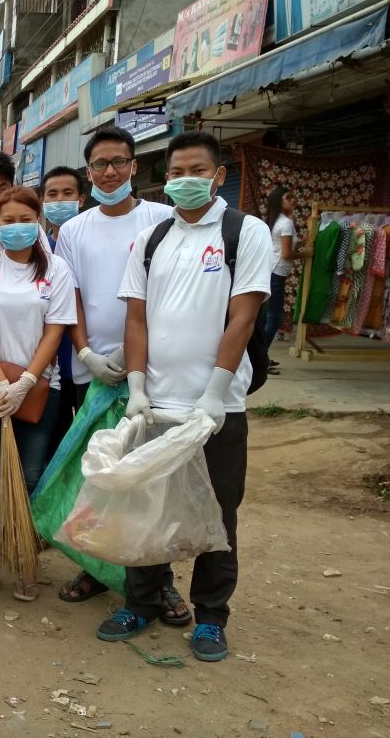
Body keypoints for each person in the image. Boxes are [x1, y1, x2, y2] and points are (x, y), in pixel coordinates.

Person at [101, 130, 270, 663]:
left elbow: (243, 314)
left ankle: (211, 617)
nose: (184, 181)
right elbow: (135, 316)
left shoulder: (245, 233)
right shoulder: (153, 239)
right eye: (175, 173)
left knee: (217, 515)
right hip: (156, 404)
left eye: (196, 171)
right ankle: (141, 602)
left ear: (218, 176)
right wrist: (135, 387)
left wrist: (216, 393)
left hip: (216, 410)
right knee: (146, 507)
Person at [52, 128, 183, 616]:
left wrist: (139, 359)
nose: (110, 172)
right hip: (94, 376)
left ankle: (159, 580)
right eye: (100, 164)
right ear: (89, 171)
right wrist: (84, 352)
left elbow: (168, 293)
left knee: (150, 479)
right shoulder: (75, 231)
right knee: (97, 479)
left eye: (119, 162)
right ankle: (95, 568)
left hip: (150, 374)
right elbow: (73, 297)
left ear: (134, 166)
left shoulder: (162, 219)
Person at [0, 186, 77, 600]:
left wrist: (26, 381)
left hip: (41, 390)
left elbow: (55, 329)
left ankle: (25, 558)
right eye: (7, 220)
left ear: (39, 221)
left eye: (25, 220)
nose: (16, 228)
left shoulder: (57, 270)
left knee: (29, 476)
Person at [41, 166, 86, 459]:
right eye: (52, 195)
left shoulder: (89, 242)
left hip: (87, 363)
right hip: (50, 367)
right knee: (54, 448)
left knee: (88, 445)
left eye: (67, 193)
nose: (59, 201)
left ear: (81, 198)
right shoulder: (36, 247)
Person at [263, 185, 310, 365]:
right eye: (288, 198)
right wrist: (307, 253)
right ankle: (260, 360)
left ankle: (261, 357)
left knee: (267, 319)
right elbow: (287, 254)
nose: (293, 201)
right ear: (279, 201)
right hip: (276, 274)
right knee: (273, 320)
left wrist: (301, 243)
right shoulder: (286, 223)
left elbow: (281, 248)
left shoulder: (274, 221)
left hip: (270, 272)